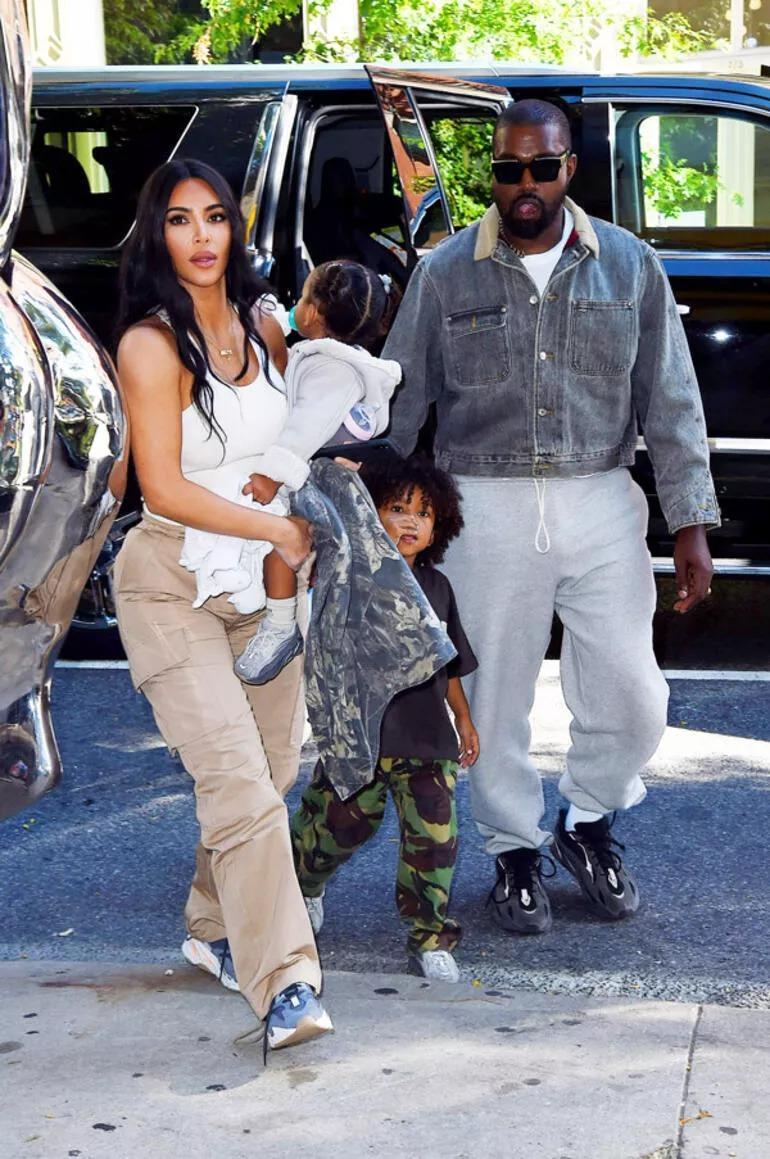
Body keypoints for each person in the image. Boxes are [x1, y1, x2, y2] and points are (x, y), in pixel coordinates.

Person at [382, 100, 719, 936]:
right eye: (509, 169)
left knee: (634, 692)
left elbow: (671, 400)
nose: (524, 184)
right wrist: (364, 515)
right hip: (482, 500)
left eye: (542, 166)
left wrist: (690, 522)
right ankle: (513, 850)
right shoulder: (445, 273)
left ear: (570, 168)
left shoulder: (630, 266)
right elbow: (397, 400)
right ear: (493, 174)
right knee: (491, 696)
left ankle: (588, 820)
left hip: (599, 495)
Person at [113, 157, 332, 1052]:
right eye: (179, 219)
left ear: (234, 228)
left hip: (265, 587)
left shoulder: (263, 325)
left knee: (268, 776)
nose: (200, 236)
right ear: (157, 234)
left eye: (213, 216)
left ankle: (212, 925)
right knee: (238, 782)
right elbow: (162, 486)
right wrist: (275, 526)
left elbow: (296, 436)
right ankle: (287, 981)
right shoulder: (150, 345)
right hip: (172, 581)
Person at [291, 454, 479, 983]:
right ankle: (303, 888)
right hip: (361, 738)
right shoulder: (348, 574)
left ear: (439, 527)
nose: (411, 521)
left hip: (429, 742)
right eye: (397, 508)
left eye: (425, 513)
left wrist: (464, 720)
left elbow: (449, 663)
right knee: (336, 827)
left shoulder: (438, 587)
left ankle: (429, 937)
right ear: (369, 513)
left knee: (434, 844)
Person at [230, 259, 401, 684]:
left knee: (280, 542)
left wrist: (272, 475)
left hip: (316, 478)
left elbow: (306, 426)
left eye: (305, 298)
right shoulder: (333, 358)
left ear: (315, 314)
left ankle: (280, 625)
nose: (298, 306)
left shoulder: (333, 370)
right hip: (319, 473)